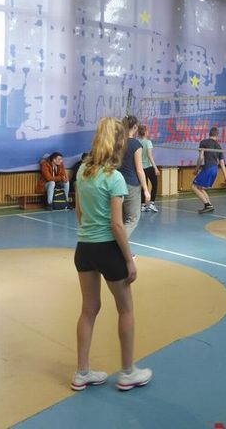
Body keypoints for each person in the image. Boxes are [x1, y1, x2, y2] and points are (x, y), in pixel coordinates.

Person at [71, 117, 152, 392]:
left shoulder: (82, 172)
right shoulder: (114, 178)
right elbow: (118, 225)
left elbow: (79, 212)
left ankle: (82, 372)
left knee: (88, 310)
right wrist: (128, 260)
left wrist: (89, 234)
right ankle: (128, 372)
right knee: (125, 309)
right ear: (118, 143)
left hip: (84, 248)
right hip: (108, 250)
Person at [118, 116, 150, 236]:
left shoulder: (117, 143)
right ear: (135, 127)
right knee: (132, 218)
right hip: (131, 185)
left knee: (120, 219)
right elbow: (139, 170)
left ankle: (118, 245)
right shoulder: (135, 144)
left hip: (116, 183)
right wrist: (146, 190)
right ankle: (118, 245)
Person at [192, 126, 226, 214]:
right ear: (217, 135)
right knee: (200, 187)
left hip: (208, 168)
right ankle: (209, 205)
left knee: (194, 187)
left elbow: (201, 157)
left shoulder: (204, 142)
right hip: (215, 169)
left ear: (209, 134)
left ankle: (207, 205)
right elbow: (222, 164)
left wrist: (196, 169)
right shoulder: (219, 146)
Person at [137, 125, 160, 213]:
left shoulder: (137, 142)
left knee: (144, 186)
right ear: (145, 132)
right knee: (155, 184)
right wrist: (155, 168)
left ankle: (143, 205)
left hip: (141, 168)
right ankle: (152, 203)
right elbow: (150, 156)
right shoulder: (148, 142)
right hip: (149, 167)